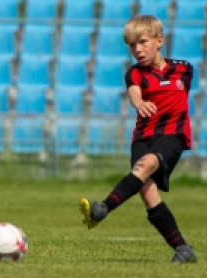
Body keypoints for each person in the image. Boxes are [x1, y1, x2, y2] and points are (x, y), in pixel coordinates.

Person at [79, 14, 198, 264]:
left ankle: (103, 208)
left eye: (143, 42)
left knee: (144, 167)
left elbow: (178, 97)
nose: (138, 49)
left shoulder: (185, 70)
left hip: (172, 136)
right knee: (148, 193)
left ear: (159, 40)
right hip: (142, 138)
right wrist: (139, 102)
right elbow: (134, 93)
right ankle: (183, 250)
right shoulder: (135, 74)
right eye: (132, 45)